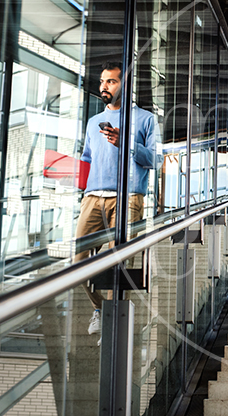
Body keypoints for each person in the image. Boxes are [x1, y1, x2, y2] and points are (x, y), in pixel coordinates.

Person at [74, 61, 158, 340]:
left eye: (110, 81)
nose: (104, 87)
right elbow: (86, 159)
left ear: (126, 85)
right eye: (102, 82)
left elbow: (154, 160)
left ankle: (111, 322)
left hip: (129, 197)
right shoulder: (93, 122)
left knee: (115, 262)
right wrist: (82, 191)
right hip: (92, 197)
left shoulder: (145, 119)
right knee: (79, 259)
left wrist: (126, 143)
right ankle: (100, 308)